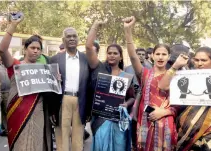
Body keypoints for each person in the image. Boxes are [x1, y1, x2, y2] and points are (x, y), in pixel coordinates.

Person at [0, 13, 53, 151]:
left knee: (37, 143)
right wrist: (13, 25)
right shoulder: (16, 65)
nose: (35, 51)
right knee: (20, 144)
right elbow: (2, 50)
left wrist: (55, 80)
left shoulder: (45, 70)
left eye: (38, 49)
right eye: (32, 48)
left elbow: (50, 92)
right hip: (18, 111)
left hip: (38, 111)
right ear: (25, 49)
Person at [123, 16, 178, 150]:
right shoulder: (145, 74)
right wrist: (128, 31)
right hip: (145, 122)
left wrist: (164, 112)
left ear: (169, 57)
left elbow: (179, 104)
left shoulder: (176, 76)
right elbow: (133, 56)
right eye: (157, 54)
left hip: (165, 123)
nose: (160, 57)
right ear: (152, 56)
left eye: (164, 54)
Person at [86, 20, 135, 151]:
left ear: (120, 57)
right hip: (100, 119)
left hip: (118, 120)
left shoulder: (126, 76)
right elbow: (89, 46)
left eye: (115, 53)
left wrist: (126, 104)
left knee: (119, 146)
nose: (112, 55)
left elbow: (132, 97)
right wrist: (96, 25)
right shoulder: (100, 68)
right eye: (109, 53)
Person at [159, 46, 211, 151]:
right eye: (196, 60)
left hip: (207, 132)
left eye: (204, 60)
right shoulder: (187, 77)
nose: (199, 63)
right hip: (184, 129)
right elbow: (163, 86)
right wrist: (175, 66)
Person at [50, 27, 90, 151]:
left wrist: (88, 109)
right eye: (68, 36)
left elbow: (90, 84)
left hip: (80, 100)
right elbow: (51, 86)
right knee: (62, 135)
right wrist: (52, 109)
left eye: (74, 36)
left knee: (78, 138)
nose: (72, 38)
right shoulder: (55, 59)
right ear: (63, 40)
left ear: (78, 39)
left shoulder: (86, 58)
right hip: (63, 99)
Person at [0, 51, 11, 136]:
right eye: (0, 54)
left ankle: (5, 129)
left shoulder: (7, 64)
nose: (2, 55)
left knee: (6, 111)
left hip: (8, 91)